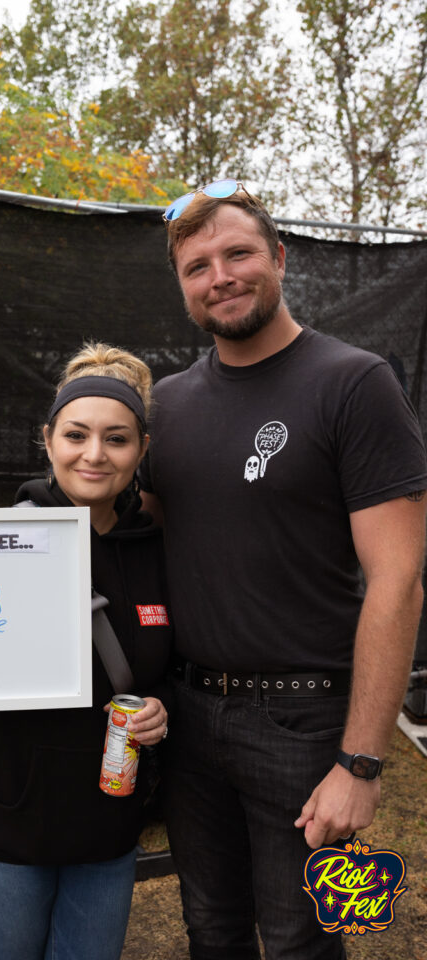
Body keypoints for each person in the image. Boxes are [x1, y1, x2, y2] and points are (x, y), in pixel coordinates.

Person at [139, 178, 427, 960]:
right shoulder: (165, 405)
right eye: (197, 267)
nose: (220, 276)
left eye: (238, 253)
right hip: (190, 719)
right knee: (212, 931)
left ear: (280, 258)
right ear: (183, 287)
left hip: (303, 725)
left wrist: (360, 762)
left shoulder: (354, 383)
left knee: (303, 941)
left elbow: (398, 582)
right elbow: (122, 530)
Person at [0, 343, 173, 960]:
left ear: (142, 450)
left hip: (108, 824)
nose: (95, 455)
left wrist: (162, 711)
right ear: (47, 439)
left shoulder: (159, 550)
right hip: (2, 822)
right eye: (77, 435)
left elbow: (175, 667)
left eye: (118, 438)